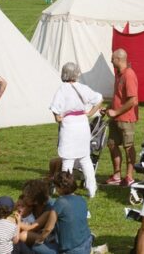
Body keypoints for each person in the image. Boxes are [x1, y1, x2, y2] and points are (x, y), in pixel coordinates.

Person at [49, 62, 104, 198]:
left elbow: (56, 109)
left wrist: (58, 118)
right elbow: (99, 99)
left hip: (69, 126)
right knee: (85, 159)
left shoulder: (62, 89)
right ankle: (92, 188)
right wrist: (90, 113)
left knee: (68, 159)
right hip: (82, 124)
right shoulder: (83, 88)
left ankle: (66, 189)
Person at [27, 171, 93, 254]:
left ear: (61, 188)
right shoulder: (82, 199)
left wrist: (39, 240)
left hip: (71, 250)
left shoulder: (60, 202)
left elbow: (48, 229)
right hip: (87, 243)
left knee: (36, 248)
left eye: (56, 186)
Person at [106, 48, 138, 187]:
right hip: (116, 117)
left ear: (119, 59)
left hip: (126, 118)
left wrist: (116, 112)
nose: (111, 61)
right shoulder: (118, 74)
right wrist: (108, 108)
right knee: (112, 144)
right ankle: (117, 175)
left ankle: (129, 177)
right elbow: (118, 96)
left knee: (128, 147)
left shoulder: (129, 74)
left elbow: (133, 100)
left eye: (112, 58)